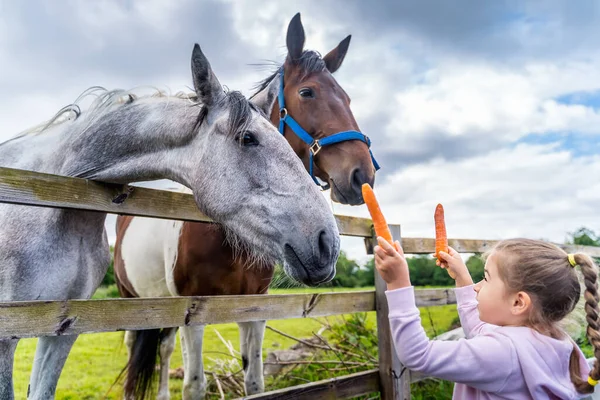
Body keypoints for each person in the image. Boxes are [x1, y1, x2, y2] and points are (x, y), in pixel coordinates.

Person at [374, 237, 599, 399]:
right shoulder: (556, 343)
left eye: (485, 278)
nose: (478, 287)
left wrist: (398, 283)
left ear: (518, 302)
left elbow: (418, 355)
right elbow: (480, 330)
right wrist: (462, 277)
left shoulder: (503, 352)